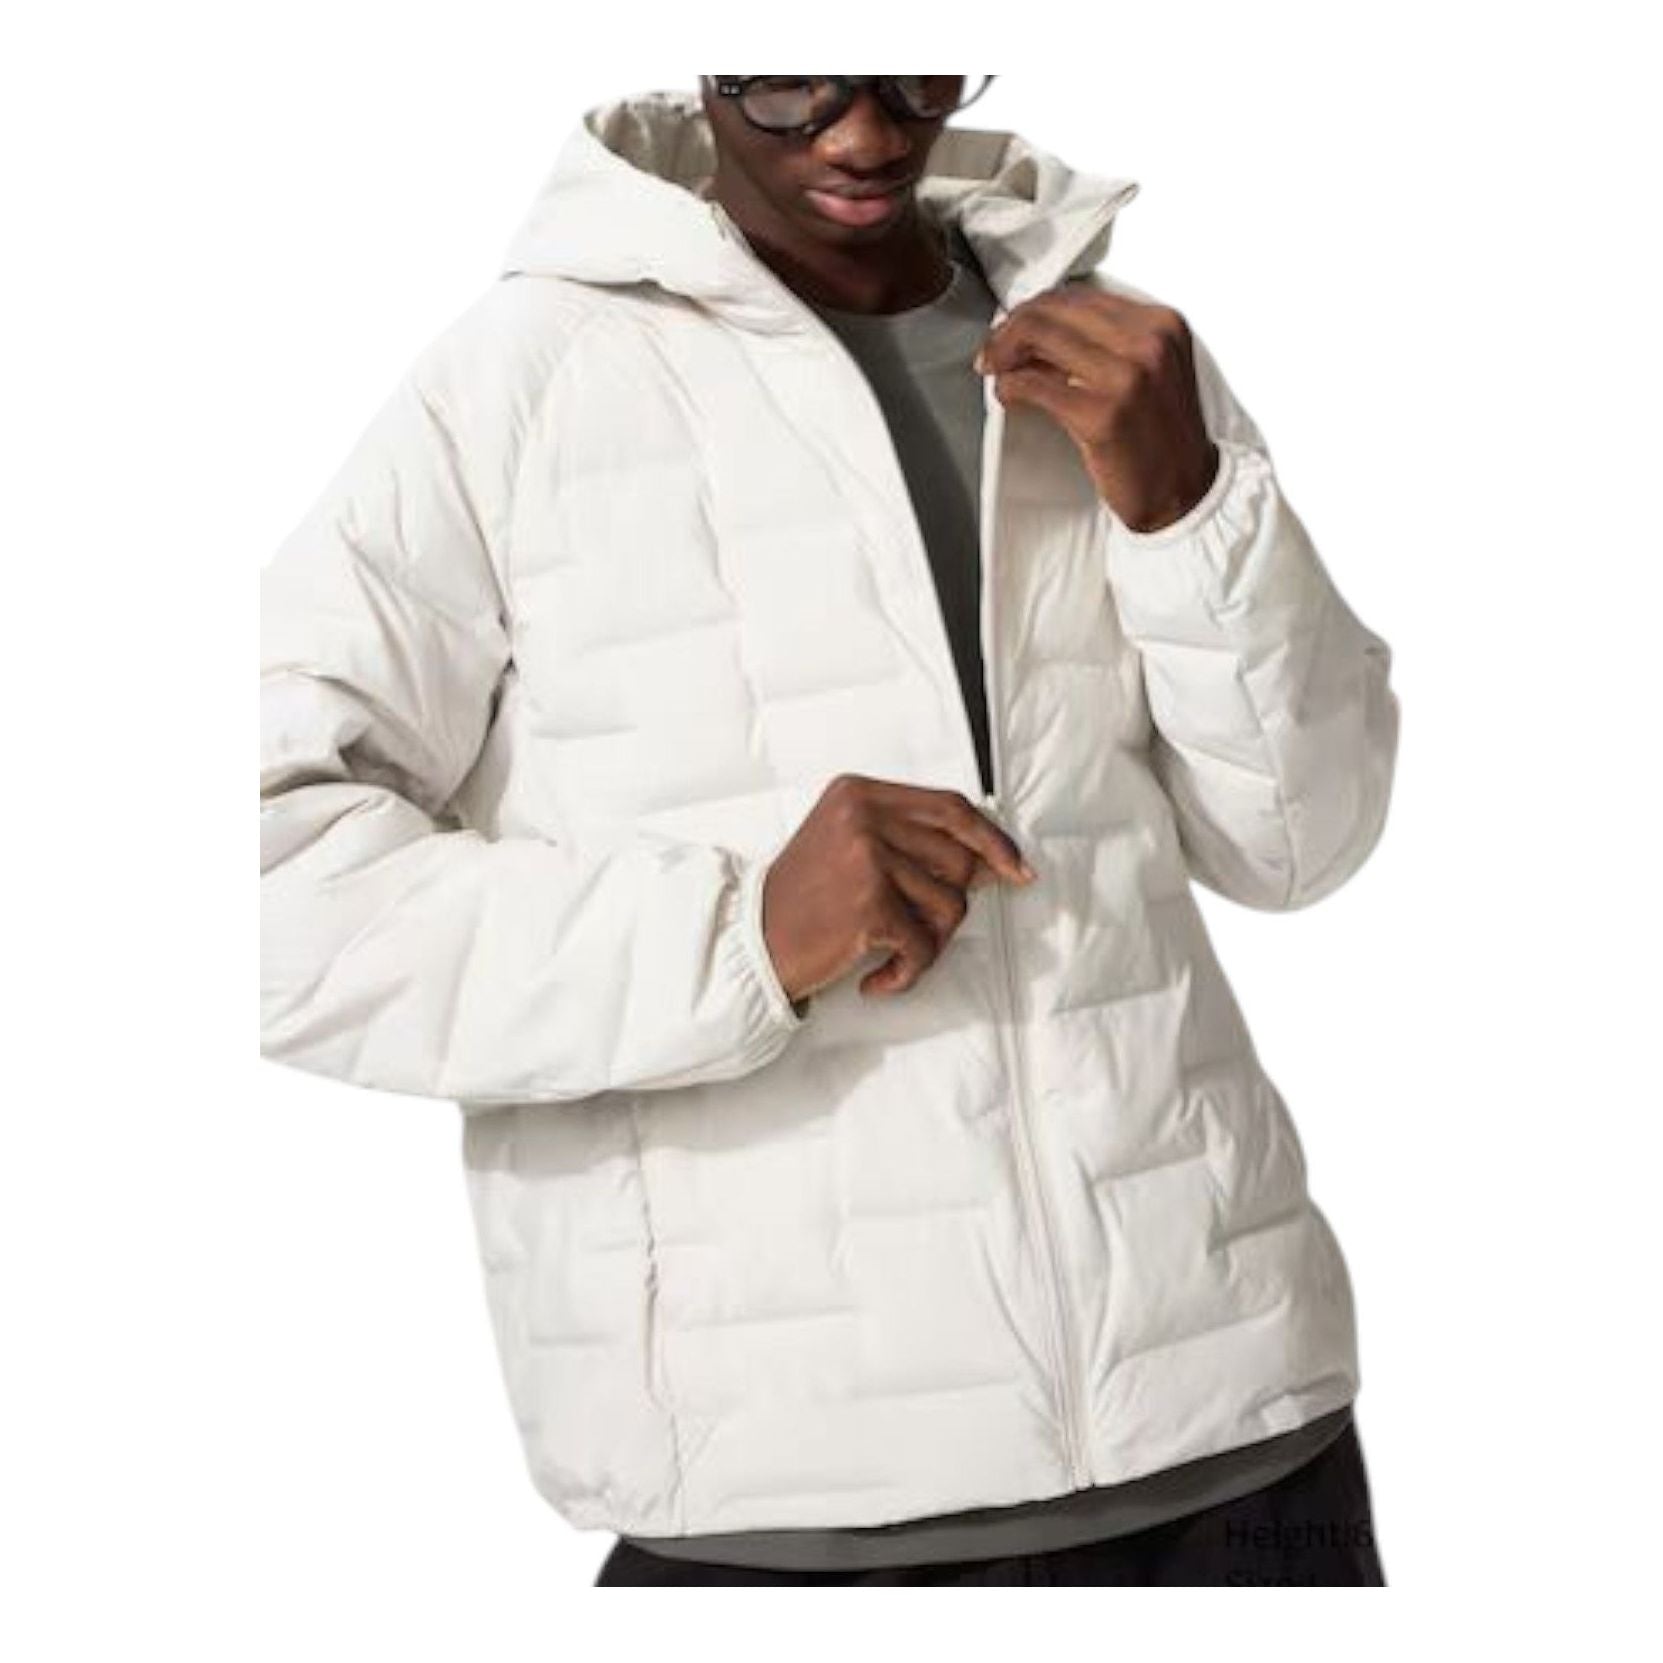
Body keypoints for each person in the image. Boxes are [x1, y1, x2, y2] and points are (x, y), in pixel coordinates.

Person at [260, 77, 1399, 1587]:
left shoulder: (1112, 347)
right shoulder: (519, 384)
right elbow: (263, 893)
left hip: (1241, 1434)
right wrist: (739, 935)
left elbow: (1302, 844)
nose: (864, 136)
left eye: (910, 72)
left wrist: (1189, 511)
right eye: (794, 82)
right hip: (785, 1500)